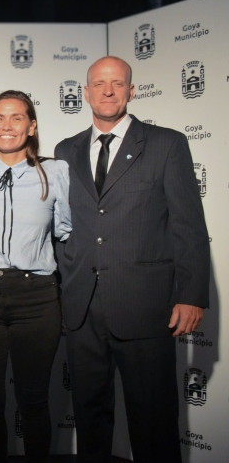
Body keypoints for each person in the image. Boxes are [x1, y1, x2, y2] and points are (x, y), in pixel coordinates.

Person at [54, 56, 210, 463]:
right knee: (90, 421)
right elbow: (65, 228)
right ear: (85, 92)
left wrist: (191, 295)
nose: (108, 91)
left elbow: (189, 226)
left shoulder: (166, 144)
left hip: (145, 307)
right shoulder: (65, 150)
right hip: (83, 310)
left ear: (131, 90)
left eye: (118, 83)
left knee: (153, 422)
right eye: (99, 84)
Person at [0, 90, 70, 463]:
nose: (6, 125)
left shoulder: (55, 172)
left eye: (17, 117)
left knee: (34, 399)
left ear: (32, 126)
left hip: (37, 296)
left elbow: (65, 232)